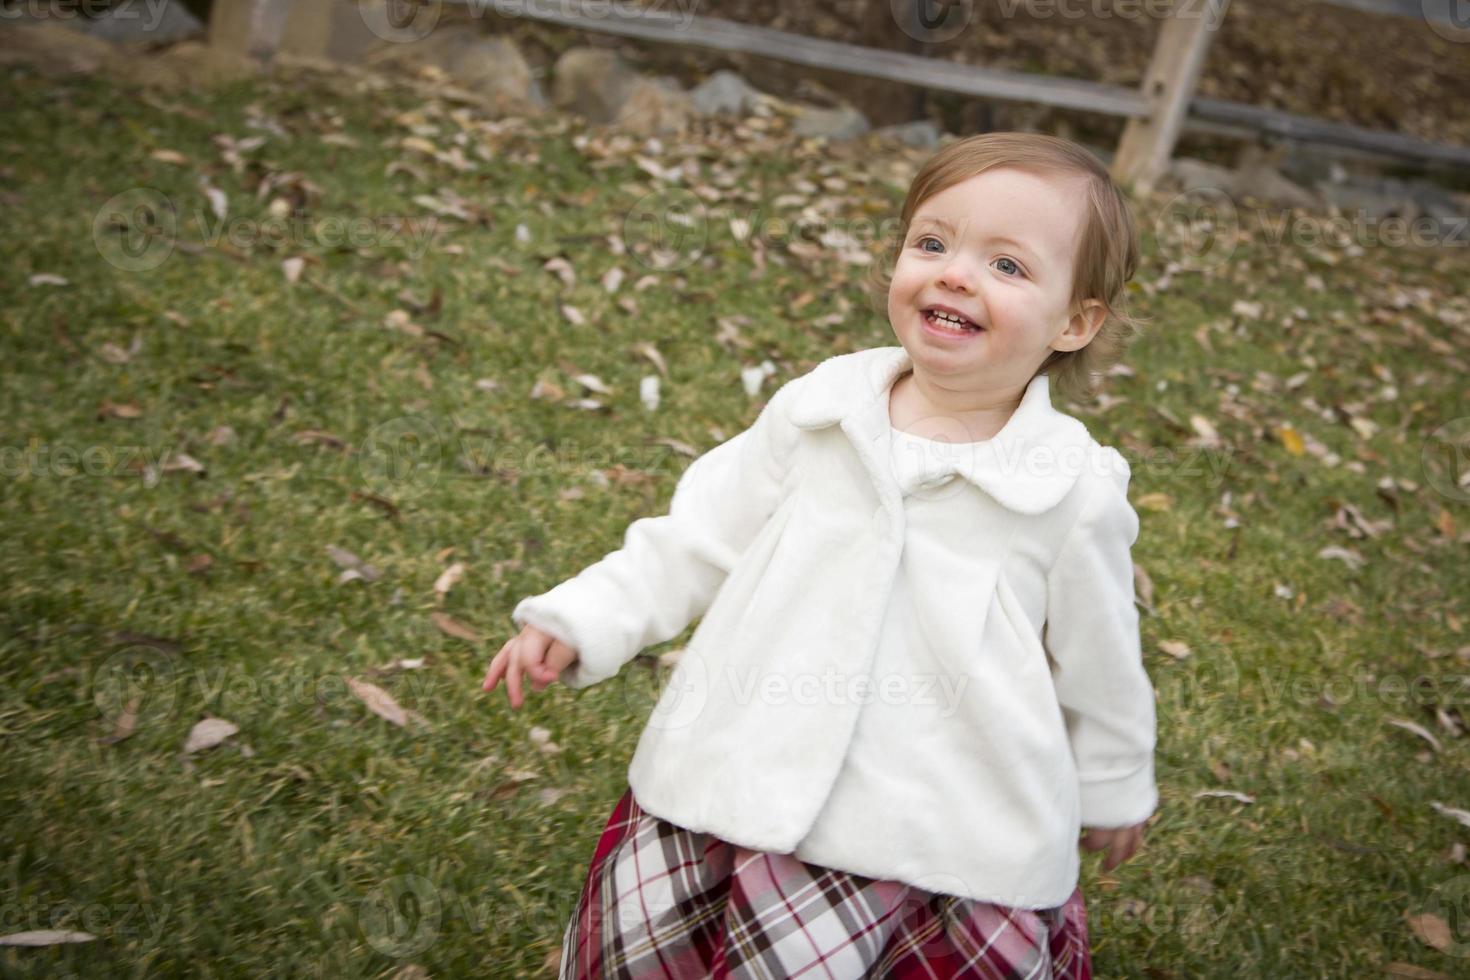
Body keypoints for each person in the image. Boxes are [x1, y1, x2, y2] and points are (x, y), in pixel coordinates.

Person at [483, 131, 1157, 979]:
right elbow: (697, 536)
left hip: (944, 832)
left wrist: (1116, 782)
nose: (954, 274)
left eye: (1008, 266)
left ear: (1075, 322)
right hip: (738, 779)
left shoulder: (1070, 491)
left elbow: (1101, 658)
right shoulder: (819, 412)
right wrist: (583, 618)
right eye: (933, 243)